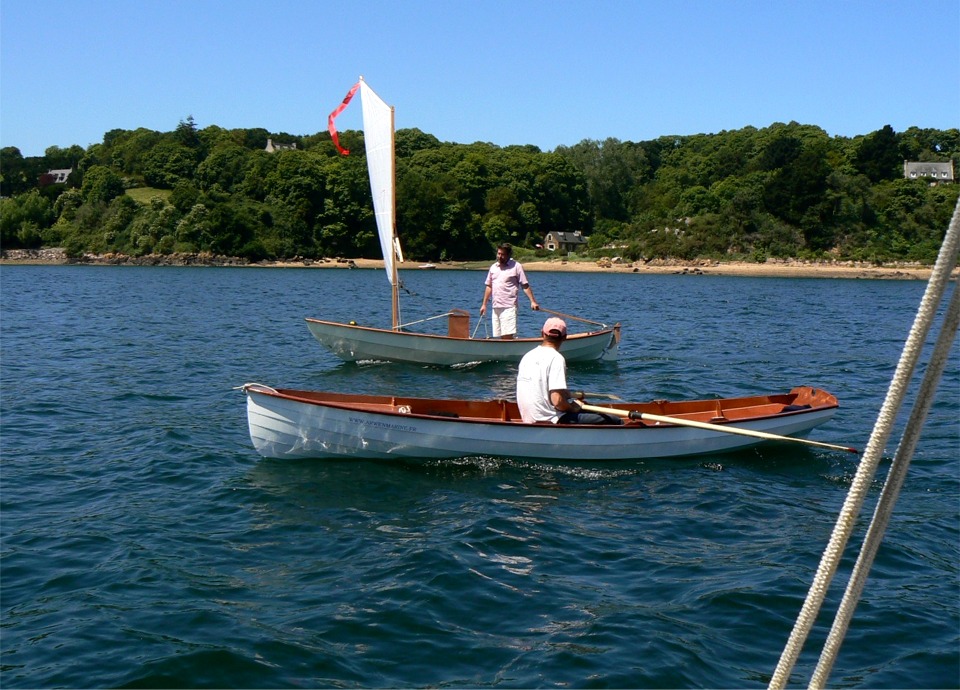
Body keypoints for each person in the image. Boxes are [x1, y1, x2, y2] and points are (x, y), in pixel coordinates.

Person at [516, 317, 623, 425]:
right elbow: (557, 401)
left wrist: (567, 396)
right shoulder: (556, 358)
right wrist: (573, 408)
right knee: (614, 420)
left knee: (587, 409)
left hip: (529, 419)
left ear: (542, 333)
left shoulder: (527, 356)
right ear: (565, 337)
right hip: (552, 419)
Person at [479, 243, 539, 339]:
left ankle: (509, 352)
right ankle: (503, 353)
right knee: (499, 336)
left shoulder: (516, 266)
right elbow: (489, 286)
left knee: (507, 336)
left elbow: (525, 285)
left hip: (509, 306)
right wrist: (484, 304)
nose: (500, 256)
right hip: (496, 306)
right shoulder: (493, 267)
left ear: (508, 255)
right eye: (499, 254)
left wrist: (532, 301)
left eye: (503, 254)